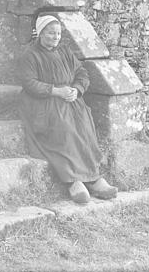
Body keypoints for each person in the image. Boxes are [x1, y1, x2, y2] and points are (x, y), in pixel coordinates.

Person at [17, 14, 118, 203]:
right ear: (40, 33)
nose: (55, 37)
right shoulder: (29, 55)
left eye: (58, 33)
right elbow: (29, 83)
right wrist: (56, 91)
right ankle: (72, 180)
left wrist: (76, 90)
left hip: (69, 98)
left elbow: (82, 74)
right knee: (64, 128)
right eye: (50, 33)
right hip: (42, 102)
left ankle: (93, 178)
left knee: (85, 125)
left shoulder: (65, 51)